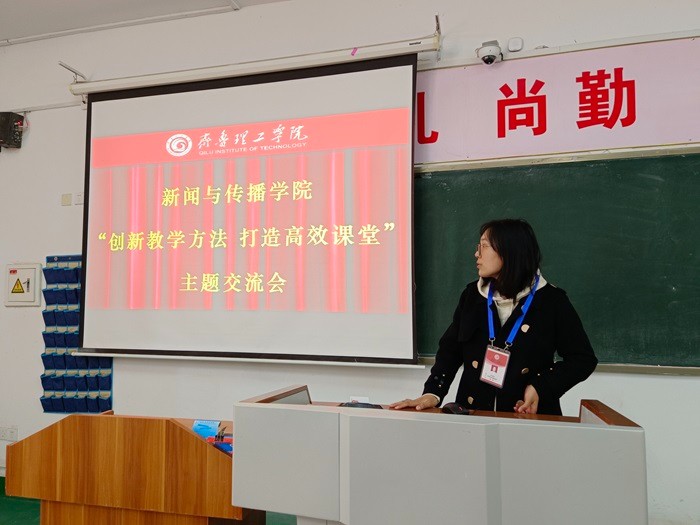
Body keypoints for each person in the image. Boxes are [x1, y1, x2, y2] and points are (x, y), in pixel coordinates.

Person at [391, 219, 597, 416]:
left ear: (509, 252)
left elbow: (582, 360)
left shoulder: (551, 301)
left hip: (528, 417)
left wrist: (541, 387)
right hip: (473, 415)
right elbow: (450, 350)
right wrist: (433, 393)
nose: (476, 254)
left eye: (484, 246)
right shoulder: (473, 295)